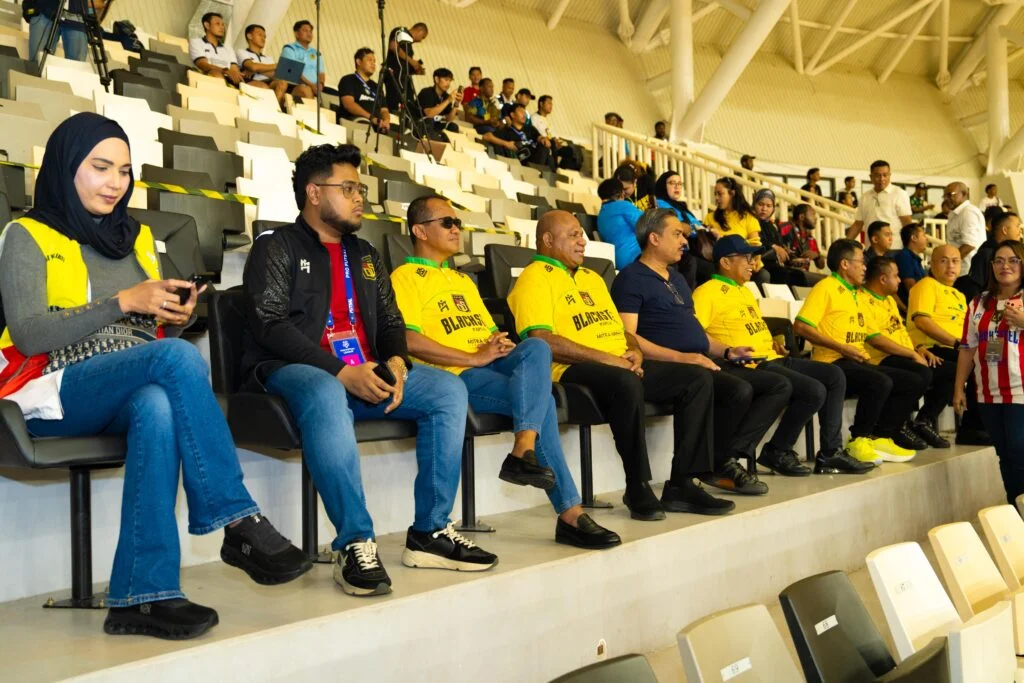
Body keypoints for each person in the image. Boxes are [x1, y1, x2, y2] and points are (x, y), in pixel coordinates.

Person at [0, 113, 310, 638]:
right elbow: (29, 334)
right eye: (100, 167)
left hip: (129, 378)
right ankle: (236, 518)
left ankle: (144, 596)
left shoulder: (138, 237)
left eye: (124, 171)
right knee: (177, 360)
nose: (115, 183)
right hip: (53, 387)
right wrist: (123, 301)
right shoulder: (25, 234)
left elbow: (149, 323)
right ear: (65, 167)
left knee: (158, 405)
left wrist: (175, 313)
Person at [240, 144, 497, 597]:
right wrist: (341, 371)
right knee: (325, 390)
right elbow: (270, 324)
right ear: (314, 193)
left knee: (446, 391)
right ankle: (355, 542)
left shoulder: (366, 254)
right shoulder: (276, 247)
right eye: (348, 188)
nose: (360, 198)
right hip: (295, 371)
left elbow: (392, 323)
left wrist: (396, 362)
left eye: (360, 189)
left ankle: (430, 532)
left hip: (365, 372)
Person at [392, 196, 621, 549]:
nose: (457, 229)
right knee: (542, 401)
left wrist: (495, 345)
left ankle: (523, 448)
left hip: (488, 361)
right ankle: (569, 512)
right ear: (420, 231)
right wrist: (473, 358)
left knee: (537, 347)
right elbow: (409, 340)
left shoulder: (463, 281)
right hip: (455, 372)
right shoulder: (405, 277)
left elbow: (487, 334)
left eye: (458, 222)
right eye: (447, 223)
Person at [508, 211, 732, 520]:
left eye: (582, 234)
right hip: (570, 369)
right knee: (626, 382)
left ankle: (682, 484)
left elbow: (622, 331)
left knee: (697, 379)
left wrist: (634, 351)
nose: (582, 241)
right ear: (547, 239)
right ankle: (637, 485)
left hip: (619, 362)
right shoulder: (534, 277)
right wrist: (610, 360)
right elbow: (542, 340)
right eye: (573, 235)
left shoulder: (592, 278)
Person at [613, 212, 787, 494]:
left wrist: (727, 350)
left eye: (684, 235)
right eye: (677, 234)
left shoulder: (677, 279)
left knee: (741, 390)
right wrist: (683, 358)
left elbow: (696, 333)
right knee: (701, 380)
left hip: (694, 361)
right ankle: (682, 484)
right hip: (659, 364)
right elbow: (627, 337)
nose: (685, 241)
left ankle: (719, 463)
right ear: (654, 238)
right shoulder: (631, 278)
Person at [692, 235, 868, 475]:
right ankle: (775, 450)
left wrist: (774, 342)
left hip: (772, 356)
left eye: (753, 258)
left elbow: (750, 325)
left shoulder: (744, 291)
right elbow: (695, 333)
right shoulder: (707, 292)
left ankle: (830, 452)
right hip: (750, 363)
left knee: (834, 375)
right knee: (813, 390)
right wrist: (725, 351)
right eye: (746, 258)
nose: (752, 263)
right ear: (725, 262)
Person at [794, 239, 927, 464]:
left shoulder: (855, 293)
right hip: (831, 361)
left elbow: (870, 333)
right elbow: (800, 326)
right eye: (861, 262)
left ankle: (880, 436)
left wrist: (916, 349)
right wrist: (841, 347)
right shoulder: (826, 288)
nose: (865, 267)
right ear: (845, 264)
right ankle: (858, 440)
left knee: (912, 381)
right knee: (879, 381)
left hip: (855, 359)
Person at [955, 240, 1024, 503]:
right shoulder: (979, 303)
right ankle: (1015, 511)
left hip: (1021, 391)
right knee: (1005, 456)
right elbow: (967, 348)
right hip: (988, 393)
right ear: (992, 266)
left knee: (1019, 452)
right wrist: (959, 388)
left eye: (1013, 260)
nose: (1005, 266)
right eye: (999, 261)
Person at [861, 257, 951, 448]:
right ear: (883, 279)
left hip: (902, 354)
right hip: (879, 357)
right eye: (896, 276)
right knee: (920, 375)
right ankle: (891, 428)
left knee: (950, 371)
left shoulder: (889, 300)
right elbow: (875, 339)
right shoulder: (861, 299)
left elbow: (901, 332)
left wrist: (919, 349)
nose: (900, 280)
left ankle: (923, 422)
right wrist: (912, 355)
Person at [907, 244, 987, 444]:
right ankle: (971, 428)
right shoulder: (926, 285)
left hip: (958, 349)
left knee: (996, 358)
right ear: (932, 264)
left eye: (955, 261)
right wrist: (958, 344)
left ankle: (984, 424)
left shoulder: (958, 295)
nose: (950, 266)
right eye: (944, 261)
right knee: (977, 365)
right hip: (933, 349)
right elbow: (922, 321)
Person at [704, 176, 767, 284]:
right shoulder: (710, 217)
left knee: (764, 275)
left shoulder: (748, 217)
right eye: (715, 194)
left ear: (732, 193)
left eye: (720, 194)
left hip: (744, 262)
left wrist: (753, 261)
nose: (716, 198)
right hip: (720, 264)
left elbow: (755, 244)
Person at [653, 170, 707, 287]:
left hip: (693, 248)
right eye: (672, 183)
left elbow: (693, 224)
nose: (677, 187)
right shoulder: (660, 203)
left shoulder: (681, 206)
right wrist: (692, 228)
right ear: (663, 185)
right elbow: (677, 225)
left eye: (679, 183)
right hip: (678, 249)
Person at [845, 160, 912, 247]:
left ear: (890, 175)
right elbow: (858, 224)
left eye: (885, 175)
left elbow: (907, 223)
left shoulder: (899, 193)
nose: (882, 179)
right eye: (877, 175)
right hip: (871, 249)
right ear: (871, 177)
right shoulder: (865, 197)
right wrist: (844, 245)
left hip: (895, 248)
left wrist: (910, 248)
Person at [754, 189, 813, 286]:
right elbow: (757, 241)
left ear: (773, 208)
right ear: (754, 204)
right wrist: (774, 247)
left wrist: (792, 259)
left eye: (768, 206)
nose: (764, 208)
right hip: (759, 262)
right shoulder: (751, 221)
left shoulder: (772, 225)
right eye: (761, 204)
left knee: (799, 276)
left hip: (774, 263)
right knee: (782, 274)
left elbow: (781, 246)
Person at [963, 212, 1022, 302]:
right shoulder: (986, 254)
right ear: (1005, 230)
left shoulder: (1018, 252)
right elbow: (974, 289)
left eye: (1013, 261)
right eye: (1017, 226)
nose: (1020, 231)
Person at [24, 0, 104, 63]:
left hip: (77, 15)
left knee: (76, 67)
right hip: (45, 9)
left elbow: (100, 3)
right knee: (37, 62)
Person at [337, 47, 390, 133]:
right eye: (370, 60)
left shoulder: (377, 87)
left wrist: (386, 120)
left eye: (374, 61)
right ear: (358, 62)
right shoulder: (348, 80)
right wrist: (371, 118)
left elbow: (384, 110)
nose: (373, 63)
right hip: (357, 123)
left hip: (377, 126)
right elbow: (348, 104)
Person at [237, 24, 288, 107]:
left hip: (268, 82)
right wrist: (276, 65)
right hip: (250, 82)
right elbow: (253, 67)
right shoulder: (241, 52)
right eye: (260, 35)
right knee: (263, 86)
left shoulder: (269, 58)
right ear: (249, 36)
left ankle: (276, 109)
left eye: (264, 36)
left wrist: (257, 70)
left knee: (282, 82)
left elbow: (274, 75)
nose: (263, 38)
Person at [944, 181, 987, 279]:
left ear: (964, 194)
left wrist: (949, 263)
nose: (947, 199)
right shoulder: (955, 214)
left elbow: (969, 244)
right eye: (945, 196)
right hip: (960, 270)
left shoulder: (968, 212)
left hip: (968, 271)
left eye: (950, 195)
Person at [596, 178, 642, 268]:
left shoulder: (601, 215)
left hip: (618, 261)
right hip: (635, 257)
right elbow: (647, 224)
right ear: (621, 193)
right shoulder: (622, 205)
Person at [189, 12, 242, 87]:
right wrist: (225, 71)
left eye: (223, 25)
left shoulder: (228, 48)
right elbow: (203, 65)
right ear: (207, 25)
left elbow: (234, 68)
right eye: (217, 24)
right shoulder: (196, 42)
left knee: (255, 84)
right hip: (207, 77)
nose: (222, 27)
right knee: (216, 74)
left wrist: (234, 73)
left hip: (229, 78)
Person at [532, 95, 582, 171]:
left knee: (572, 150)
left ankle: (561, 169)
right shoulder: (534, 118)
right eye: (549, 103)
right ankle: (556, 170)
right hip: (544, 145)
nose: (551, 106)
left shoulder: (547, 120)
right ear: (541, 104)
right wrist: (552, 141)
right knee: (566, 150)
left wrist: (557, 141)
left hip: (553, 143)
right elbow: (536, 135)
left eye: (551, 104)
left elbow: (552, 134)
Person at [385, 23, 428, 112]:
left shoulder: (409, 46)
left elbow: (403, 64)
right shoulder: (400, 31)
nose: (421, 40)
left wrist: (416, 69)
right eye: (422, 37)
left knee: (408, 105)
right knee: (395, 105)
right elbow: (393, 46)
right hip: (395, 76)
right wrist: (412, 61)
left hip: (404, 80)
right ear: (419, 31)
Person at [778, 204, 826, 283]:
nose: (816, 218)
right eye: (812, 214)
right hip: (784, 271)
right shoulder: (786, 227)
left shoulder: (811, 239)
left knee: (826, 280)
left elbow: (821, 266)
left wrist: (817, 256)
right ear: (801, 217)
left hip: (801, 275)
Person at [281, 20, 325, 101]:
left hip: (314, 89)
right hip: (294, 86)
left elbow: (321, 72)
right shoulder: (289, 49)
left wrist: (321, 84)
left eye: (310, 31)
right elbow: (293, 72)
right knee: (305, 90)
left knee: (333, 94)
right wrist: (312, 85)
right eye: (305, 30)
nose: (309, 34)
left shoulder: (316, 53)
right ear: (296, 34)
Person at [464, 78, 512, 151]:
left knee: (508, 134)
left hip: (493, 129)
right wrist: (486, 122)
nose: (492, 89)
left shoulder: (494, 104)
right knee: (492, 132)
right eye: (489, 86)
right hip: (480, 128)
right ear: (481, 88)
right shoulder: (475, 102)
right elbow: (469, 118)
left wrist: (502, 123)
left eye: (492, 87)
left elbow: (501, 119)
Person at [416, 67, 462, 137]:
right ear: (436, 79)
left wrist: (457, 103)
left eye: (450, 80)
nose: (448, 83)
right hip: (421, 124)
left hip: (437, 124)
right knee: (429, 122)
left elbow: (449, 119)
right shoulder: (426, 92)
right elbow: (429, 114)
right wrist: (448, 100)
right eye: (446, 80)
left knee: (453, 126)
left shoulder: (446, 96)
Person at [894, 222, 927, 305]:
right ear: (914, 238)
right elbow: (910, 287)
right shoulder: (904, 256)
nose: (926, 239)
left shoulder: (914, 258)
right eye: (923, 235)